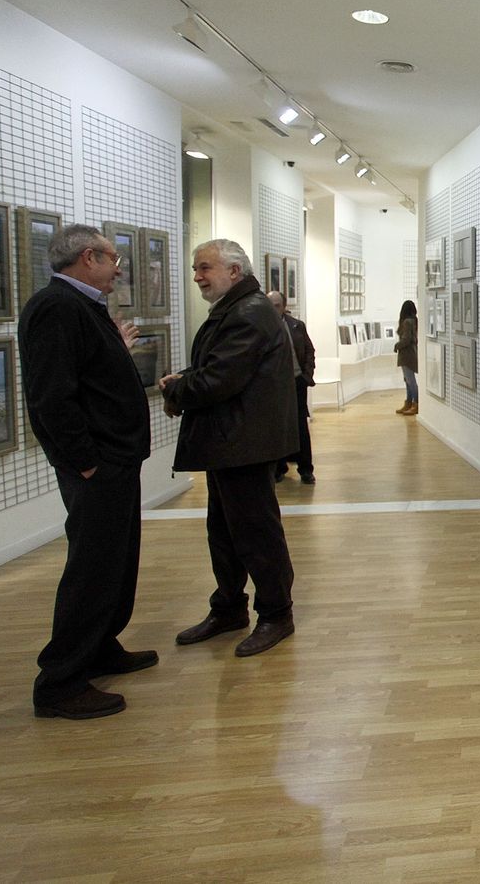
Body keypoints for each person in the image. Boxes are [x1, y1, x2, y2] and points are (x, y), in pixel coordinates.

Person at [19, 224, 154, 720]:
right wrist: (86, 460)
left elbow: (88, 373)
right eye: (113, 258)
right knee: (92, 570)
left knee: (115, 563)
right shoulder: (56, 307)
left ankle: (99, 648)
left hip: (115, 460)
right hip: (98, 465)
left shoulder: (82, 308)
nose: (119, 268)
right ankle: (60, 680)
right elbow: (51, 395)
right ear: (89, 257)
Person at [160, 239, 299, 657]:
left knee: (256, 532)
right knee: (223, 530)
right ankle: (229, 608)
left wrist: (177, 387)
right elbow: (218, 368)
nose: (198, 276)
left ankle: (276, 613)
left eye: (205, 268)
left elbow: (220, 379)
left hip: (244, 442)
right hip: (231, 440)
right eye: (195, 269)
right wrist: (185, 381)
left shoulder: (248, 313)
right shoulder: (238, 309)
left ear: (234, 272)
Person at [268, 290, 316, 484]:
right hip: (275, 387)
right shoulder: (263, 328)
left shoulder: (296, 326)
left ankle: (306, 469)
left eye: (277, 306)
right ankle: (279, 468)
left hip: (296, 383)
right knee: (277, 427)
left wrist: (307, 375)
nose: (273, 310)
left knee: (300, 427)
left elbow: (309, 350)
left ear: (284, 306)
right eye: (270, 306)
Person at [394, 299, 419, 415]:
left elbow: (406, 339)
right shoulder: (414, 320)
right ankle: (409, 402)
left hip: (406, 354)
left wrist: (396, 345)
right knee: (408, 380)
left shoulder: (407, 322)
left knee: (410, 380)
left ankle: (415, 403)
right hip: (411, 353)